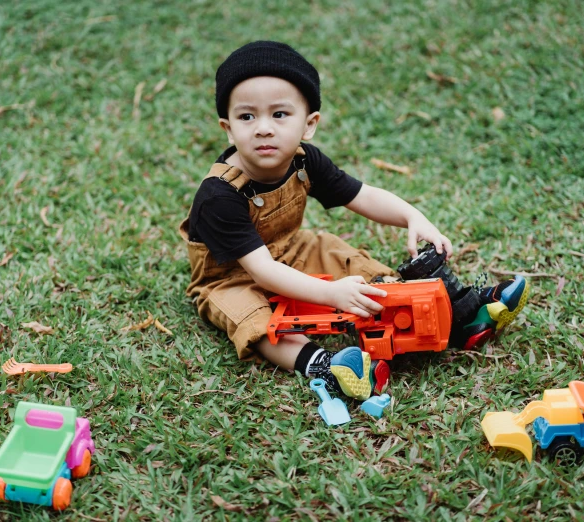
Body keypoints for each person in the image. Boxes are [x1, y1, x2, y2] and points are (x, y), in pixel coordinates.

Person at [178, 41, 528, 401]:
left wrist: (412, 214)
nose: (263, 128)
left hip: (288, 250)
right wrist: (331, 293)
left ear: (309, 124)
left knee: (337, 252)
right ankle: (325, 365)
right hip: (232, 276)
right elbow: (262, 272)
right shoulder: (220, 196)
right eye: (247, 116)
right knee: (257, 320)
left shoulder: (303, 160)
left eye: (280, 114)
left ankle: (457, 314)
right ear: (228, 128)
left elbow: (361, 195)